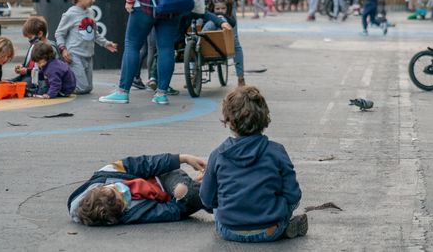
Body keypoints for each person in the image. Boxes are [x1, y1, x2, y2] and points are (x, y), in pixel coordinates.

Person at [201, 86, 306, 242]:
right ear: (264, 117)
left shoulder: (217, 155)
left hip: (229, 230)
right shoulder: (276, 151)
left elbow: (207, 199)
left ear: (230, 121)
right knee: (288, 202)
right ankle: (283, 228)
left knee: (217, 205)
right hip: (270, 229)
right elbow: (293, 195)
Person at [68, 153, 207, 226]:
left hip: (164, 177)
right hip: (173, 198)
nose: (124, 191)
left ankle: (203, 186)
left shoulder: (106, 173)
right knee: (187, 192)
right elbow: (169, 212)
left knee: (184, 189)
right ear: (122, 210)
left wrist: (183, 158)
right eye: (124, 199)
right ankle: (217, 197)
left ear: (102, 187)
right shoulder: (128, 214)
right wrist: (184, 200)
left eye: (116, 187)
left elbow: (145, 163)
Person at [55, 0, 118, 95]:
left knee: (88, 88)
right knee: (82, 88)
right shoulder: (70, 14)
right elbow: (59, 33)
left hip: (88, 55)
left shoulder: (91, 12)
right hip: (74, 55)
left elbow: (94, 33)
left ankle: (70, 81)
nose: (93, 0)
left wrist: (106, 44)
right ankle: (58, 85)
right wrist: (63, 49)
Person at [201, 0, 245, 86]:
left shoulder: (228, 17)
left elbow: (232, 23)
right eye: (217, 9)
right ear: (213, 9)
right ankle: (194, 73)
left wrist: (222, 18)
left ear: (227, 9)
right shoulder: (210, 17)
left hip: (225, 30)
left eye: (223, 9)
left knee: (235, 44)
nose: (220, 11)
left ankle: (240, 77)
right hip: (209, 31)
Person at [13, 16, 53, 88]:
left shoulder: (49, 47)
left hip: (41, 79)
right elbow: (29, 64)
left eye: (30, 37)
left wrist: (27, 71)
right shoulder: (34, 45)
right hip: (30, 75)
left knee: (23, 84)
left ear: (40, 34)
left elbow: (47, 72)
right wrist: (22, 67)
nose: (29, 40)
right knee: (11, 83)